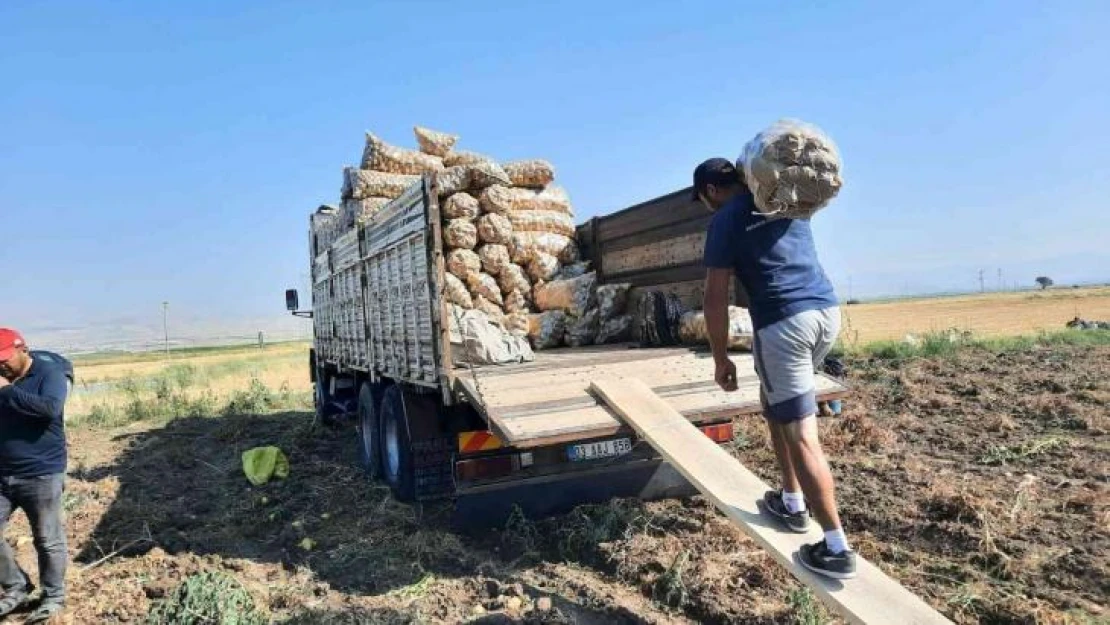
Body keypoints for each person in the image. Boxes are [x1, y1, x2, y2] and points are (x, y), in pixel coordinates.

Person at [693, 158, 856, 579]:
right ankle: (790, 500)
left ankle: (836, 547)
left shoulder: (725, 219)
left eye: (703, 198)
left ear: (711, 190)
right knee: (775, 400)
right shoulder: (781, 201)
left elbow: (714, 297)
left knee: (801, 432)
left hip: (784, 322)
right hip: (826, 314)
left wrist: (720, 357)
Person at [0, 328, 68, 622]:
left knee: (47, 539)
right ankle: (17, 587)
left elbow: (50, 409)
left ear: (22, 349)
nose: (1, 365)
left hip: (41, 472)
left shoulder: (49, 374)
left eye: (4, 358)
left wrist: (7, 391)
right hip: (3, 474)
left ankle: (53, 596)